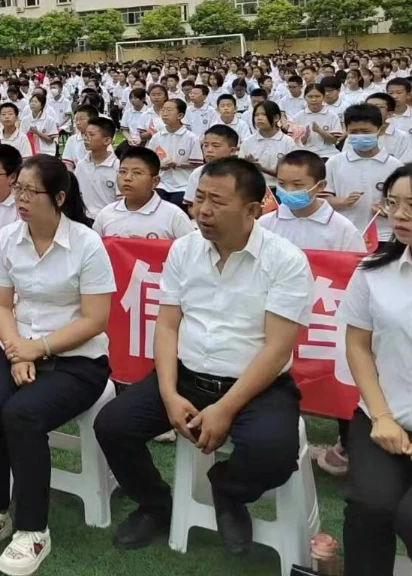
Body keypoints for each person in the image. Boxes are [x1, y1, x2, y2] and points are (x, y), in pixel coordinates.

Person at [95, 158, 314, 558]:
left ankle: (228, 489)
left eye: (217, 201)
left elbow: (277, 349)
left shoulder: (286, 260)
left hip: (257, 386)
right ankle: (156, 505)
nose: (204, 211)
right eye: (199, 199)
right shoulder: (185, 249)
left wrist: (225, 409)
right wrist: (168, 394)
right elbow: (167, 326)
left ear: (252, 209)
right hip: (187, 374)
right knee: (113, 425)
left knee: (272, 454)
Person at [0, 155, 115, 573]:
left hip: (77, 359)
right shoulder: (8, 238)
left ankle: (33, 529)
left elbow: (95, 320)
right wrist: (17, 350)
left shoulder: (86, 244)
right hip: (19, 346)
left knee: (22, 413)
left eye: (31, 191)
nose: (21, 199)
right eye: (19, 189)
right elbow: (0, 304)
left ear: (60, 198)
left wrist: (38, 348)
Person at [337, 161, 412, 575]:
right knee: (370, 508)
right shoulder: (373, 271)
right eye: (392, 203)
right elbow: (358, 345)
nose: (399, 215)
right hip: (383, 419)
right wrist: (382, 416)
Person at [259, 150, 365, 252]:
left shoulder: (343, 229)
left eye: (297, 185)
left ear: (320, 186)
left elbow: (355, 262)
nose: (288, 190)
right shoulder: (264, 225)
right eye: (281, 183)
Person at [327, 103, 402, 245]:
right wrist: (342, 201)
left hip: (383, 235)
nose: (360, 136)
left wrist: (388, 209)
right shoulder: (334, 162)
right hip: (346, 234)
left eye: (366, 132)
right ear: (346, 131)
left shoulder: (395, 166)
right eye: (354, 132)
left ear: (380, 130)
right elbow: (322, 198)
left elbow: (403, 203)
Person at [93, 147, 194, 240]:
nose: (127, 178)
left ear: (155, 181)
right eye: (123, 171)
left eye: (137, 173)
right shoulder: (106, 214)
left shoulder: (174, 217)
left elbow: (191, 249)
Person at [149, 98, 201, 207]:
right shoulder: (156, 137)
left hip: (183, 184)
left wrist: (178, 165)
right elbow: (149, 162)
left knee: (177, 205)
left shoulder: (191, 138)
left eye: (169, 110)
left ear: (180, 115)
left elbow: (197, 164)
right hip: (161, 183)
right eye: (163, 110)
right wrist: (160, 166)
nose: (164, 114)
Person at [240, 100, 297, 187]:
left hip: (280, 189)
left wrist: (262, 169)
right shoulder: (247, 142)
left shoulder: (288, 142)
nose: (259, 118)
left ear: (276, 118)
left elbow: (292, 173)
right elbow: (240, 171)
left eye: (264, 114)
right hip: (254, 188)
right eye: (256, 115)